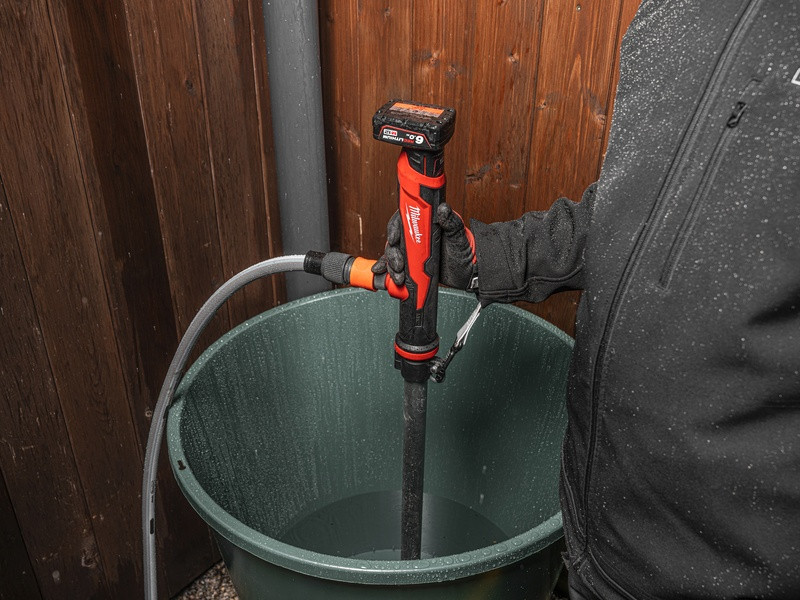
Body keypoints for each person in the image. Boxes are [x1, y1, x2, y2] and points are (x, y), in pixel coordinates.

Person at [374, 1, 799, 598]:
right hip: (596, 516)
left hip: (723, 568)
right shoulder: (675, 12)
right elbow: (636, 211)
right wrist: (489, 256)